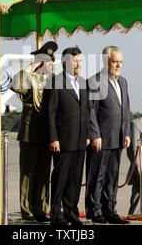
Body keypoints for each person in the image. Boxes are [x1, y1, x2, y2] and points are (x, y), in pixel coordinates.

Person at [10, 41, 58, 222]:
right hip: (30, 133)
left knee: (44, 174)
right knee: (28, 174)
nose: (51, 65)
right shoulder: (29, 78)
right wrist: (29, 68)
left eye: (52, 62)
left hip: (47, 133)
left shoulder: (55, 82)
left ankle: (40, 209)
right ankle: (27, 210)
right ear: (39, 63)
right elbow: (14, 85)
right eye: (47, 62)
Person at [85, 46, 131, 224]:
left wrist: (126, 133)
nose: (118, 65)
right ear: (105, 61)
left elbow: (125, 109)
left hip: (118, 138)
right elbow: (90, 112)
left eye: (120, 62)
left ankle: (110, 210)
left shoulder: (123, 82)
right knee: (97, 176)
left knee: (112, 176)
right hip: (101, 139)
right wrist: (95, 135)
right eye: (114, 61)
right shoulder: (95, 81)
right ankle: (96, 211)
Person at [47, 46, 89, 226]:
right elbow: (50, 113)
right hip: (63, 140)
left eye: (80, 60)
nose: (78, 64)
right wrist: (53, 138)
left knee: (75, 178)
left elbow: (86, 111)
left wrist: (87, 135)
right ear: (65, 63)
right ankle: (56, 214)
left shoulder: (84, 83)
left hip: (80, 140)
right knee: (60, 178)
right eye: (75, 61)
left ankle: (71, 212)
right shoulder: (55, 83)